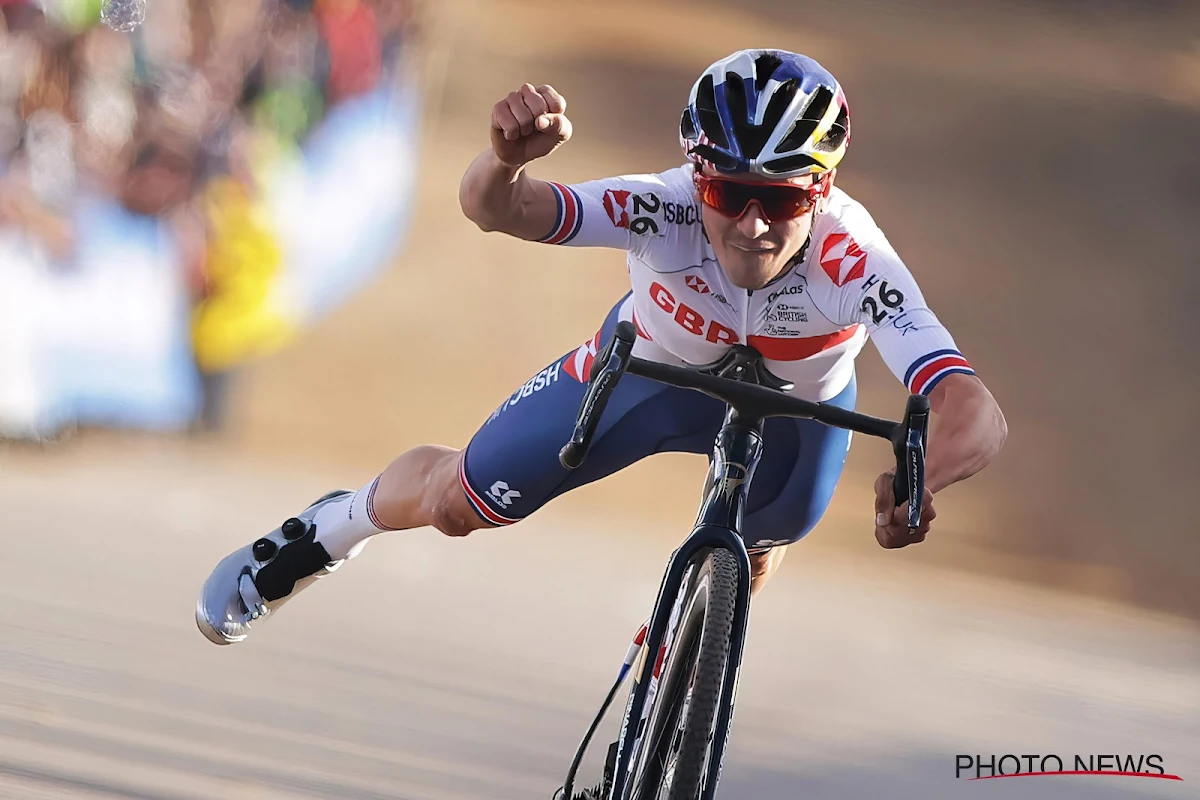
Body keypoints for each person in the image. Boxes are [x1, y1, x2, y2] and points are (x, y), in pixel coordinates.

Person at [196, 49, 1007, 645]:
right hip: (648, 375)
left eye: (783, 198)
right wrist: (505, 162)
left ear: (822, 190)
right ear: (698, 178)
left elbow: (974, 409)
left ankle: (675, 684)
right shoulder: (663, 207)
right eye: (730, 192)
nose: (753, 223)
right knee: (455, 506)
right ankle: (329, 530)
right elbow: (498, 211)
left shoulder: (855, 257)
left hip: (799, 414)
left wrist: (919, 481)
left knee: (755, 556)